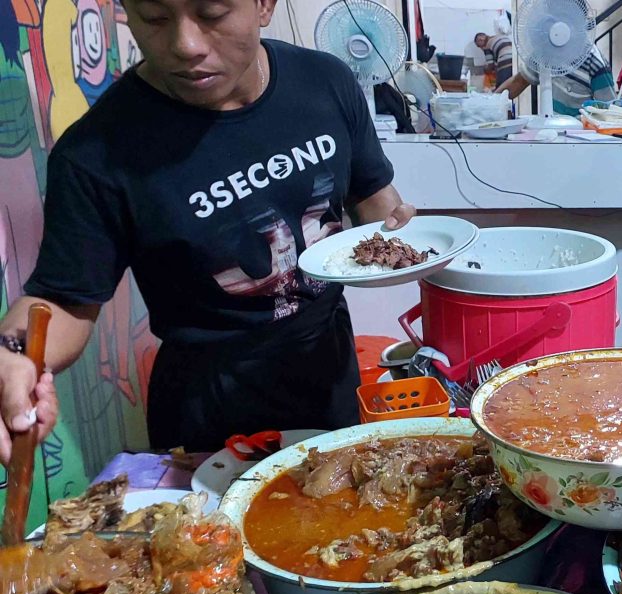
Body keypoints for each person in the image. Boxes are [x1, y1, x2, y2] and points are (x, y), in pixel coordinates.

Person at [0, 0, 419, 462]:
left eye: (213, 14)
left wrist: (398, 233)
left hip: (328, 369)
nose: (186, 46)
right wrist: (12, 354)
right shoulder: (97, 151)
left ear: (263, 6)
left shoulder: (326, 83)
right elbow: (63, 300)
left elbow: (372, 196)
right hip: (208, 405)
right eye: (154, 19)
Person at [496, 44, 616, 116]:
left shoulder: (595, 63)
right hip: (548, 135)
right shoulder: (544, 53)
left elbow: (609, 113)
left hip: (580, 142)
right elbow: (519, 81)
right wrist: (489, 104)